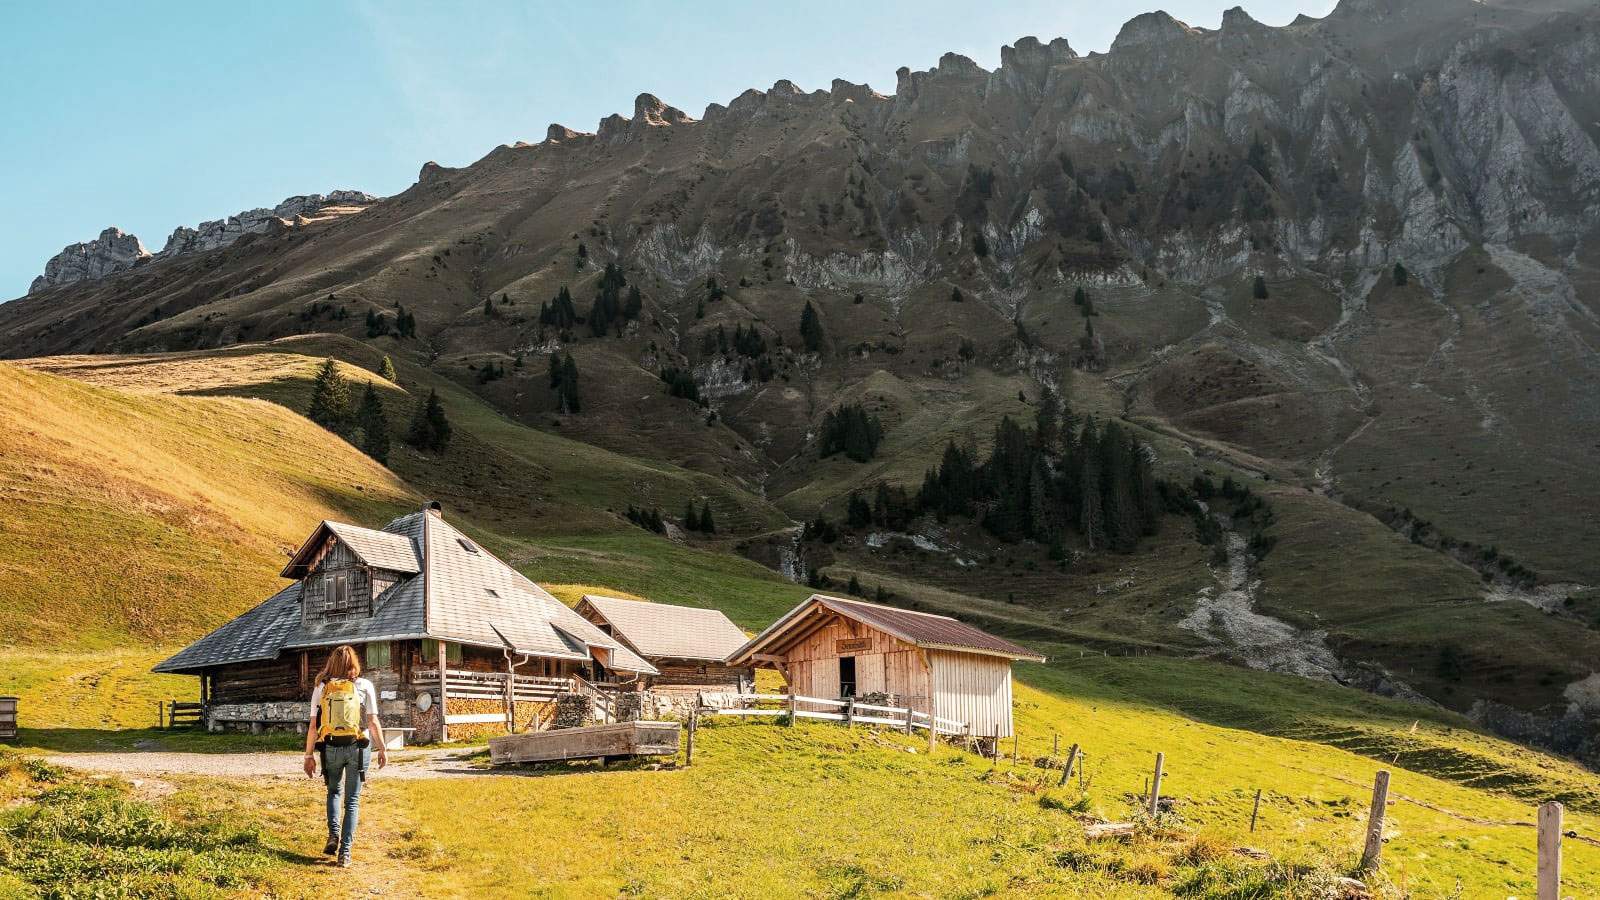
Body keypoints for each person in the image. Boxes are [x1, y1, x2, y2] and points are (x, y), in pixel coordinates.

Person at [302, 645, 387, 867]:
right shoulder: (364, 685)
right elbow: (372, 722)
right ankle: (345, 853)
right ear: (354, 664)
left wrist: (308, 755)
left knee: (333, 792)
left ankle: (333, 836)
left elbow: (313, 725)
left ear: (331, 663)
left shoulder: (321, 687)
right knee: (352, 800)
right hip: (357, 747)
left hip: (330, 747)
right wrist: (382, 748)